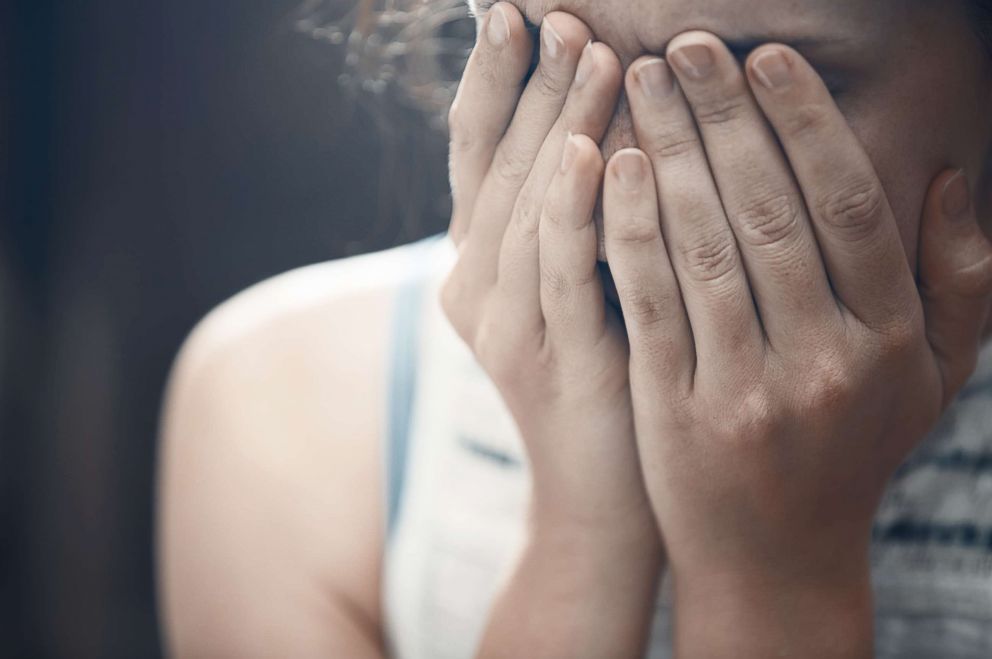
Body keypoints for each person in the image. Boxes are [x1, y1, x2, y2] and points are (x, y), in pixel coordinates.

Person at [156, 0, 992, 656]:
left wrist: (781, 577)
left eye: (742, 76)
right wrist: (581, 541)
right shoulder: (284, 411)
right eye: (544, 61)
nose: (624, 178)